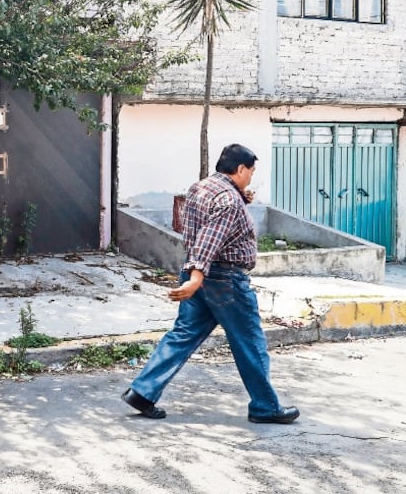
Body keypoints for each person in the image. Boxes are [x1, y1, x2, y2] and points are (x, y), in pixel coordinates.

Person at [121, 143, 299, 424]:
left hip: (202, 277)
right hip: (224, 280)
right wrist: (196, 277)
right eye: (251, 172)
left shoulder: (201, 188)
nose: (252, 177)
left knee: (183, 334)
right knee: (250, 342)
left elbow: (202, 224)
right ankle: (266, 407)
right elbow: (209, 239)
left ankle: (142, 392)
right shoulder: (229, 201)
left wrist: (242, 200)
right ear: (240, 169)